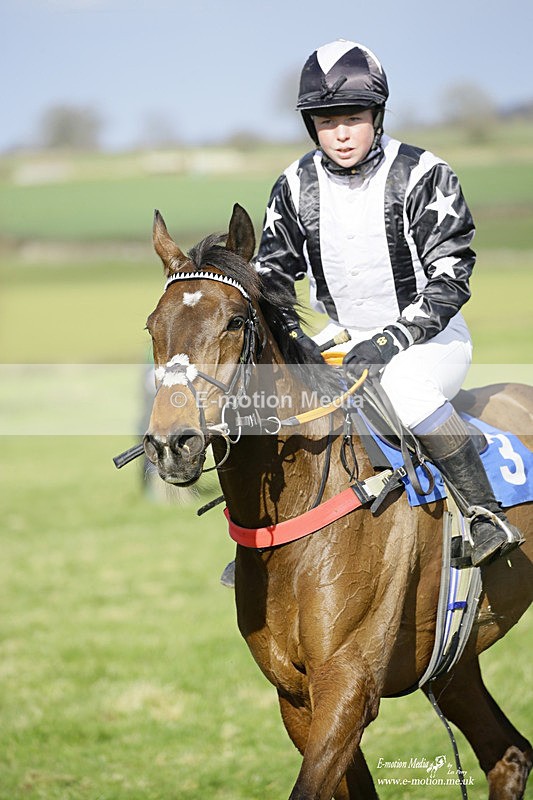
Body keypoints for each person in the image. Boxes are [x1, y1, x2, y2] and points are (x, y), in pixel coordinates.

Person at [253, 38, 523, 567]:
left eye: (353, 118)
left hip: (429, 340)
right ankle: (274, 535)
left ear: (376, 115)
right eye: (326, 122)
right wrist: (296, 339)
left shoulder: (425, 174)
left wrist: (390, 340)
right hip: (341, 335)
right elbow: (271, 276)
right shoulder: (293, 184)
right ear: (311, 126)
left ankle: (484, 515)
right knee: (274, 393)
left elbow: (452, 275)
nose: (341, 134)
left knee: (404, 389)